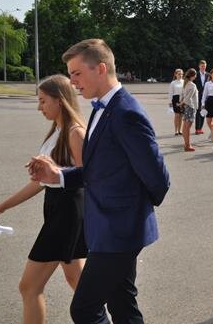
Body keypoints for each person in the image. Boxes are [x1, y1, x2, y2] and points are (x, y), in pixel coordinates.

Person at [27, 38, 170, 324]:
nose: (72, 81)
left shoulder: (126, 113)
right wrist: (59, 175)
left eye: (77, 73)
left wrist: (132, 211)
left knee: (84, 309)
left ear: (101, 69)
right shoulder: (101, 108)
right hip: (107, 229)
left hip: (120, 231)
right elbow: (97, 169)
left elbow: (158, 178)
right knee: (122, 305)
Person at [0, 74, 87, 324]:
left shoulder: (75, 132)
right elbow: (40, 183)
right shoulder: (58, 131)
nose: (39, 107)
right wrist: (0, 207)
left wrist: (56, 172)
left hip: (67, 213)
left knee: (29, 287)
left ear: (60, 100)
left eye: (43, 101)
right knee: (78, 281)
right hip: (58, 208)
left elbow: (89, 177)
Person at [181, 68, 199, 152]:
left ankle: (186, 144)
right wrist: (182, 102)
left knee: (185, 126)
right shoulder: (192, 85)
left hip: (186, 106)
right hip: (191, 107)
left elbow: (183, 95)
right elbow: (189, 97)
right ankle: (188, 145)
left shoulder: (186, 83)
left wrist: (181, 102)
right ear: (193, 76)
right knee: (187, 127)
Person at [193, 60, 209, 135]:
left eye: (204, 66)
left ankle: (200, 128)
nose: (203, 67)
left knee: (203, 112)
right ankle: (197, 129)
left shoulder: (208, 75)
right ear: (199, 66)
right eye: (202, 66)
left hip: (206, 97)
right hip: (197, 96)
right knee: (198, 112)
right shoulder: (196, 74)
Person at [168, 68, 184, 136]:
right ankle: (176, 130)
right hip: (175, 99)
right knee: (177, 115)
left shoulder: (184, 82)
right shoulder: (173, 83)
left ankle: (180, 130)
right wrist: (170, 102)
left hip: (182, 99)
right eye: (179, 74)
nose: (180, 75)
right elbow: (170, 93)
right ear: (176, 74)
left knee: (181, 116)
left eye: (181, 74)